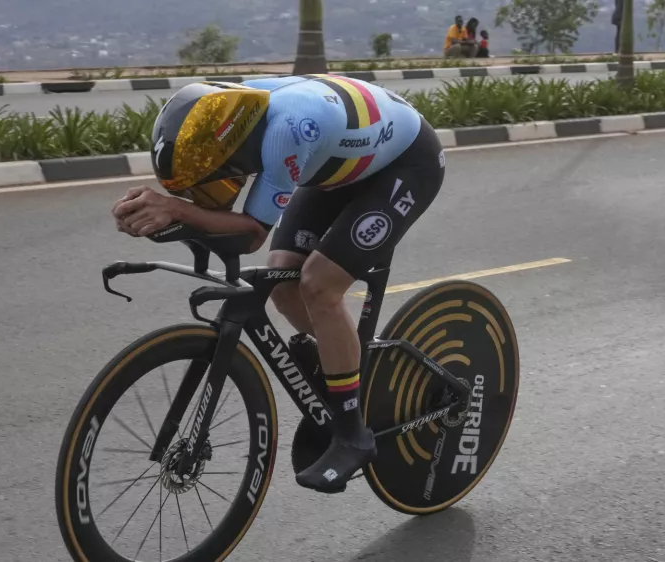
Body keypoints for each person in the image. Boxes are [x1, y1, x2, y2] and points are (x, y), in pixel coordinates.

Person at [110, 76, 446, 493]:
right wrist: (168, 213)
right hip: (339, 166)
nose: (208, 188)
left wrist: (177, 210)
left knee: (320, 285)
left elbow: (250, 234)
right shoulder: (231, 111)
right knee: (283, 278)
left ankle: (352, 434)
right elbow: (222, 219)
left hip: (407, 165)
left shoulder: (285, 134)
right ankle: (344, 364)